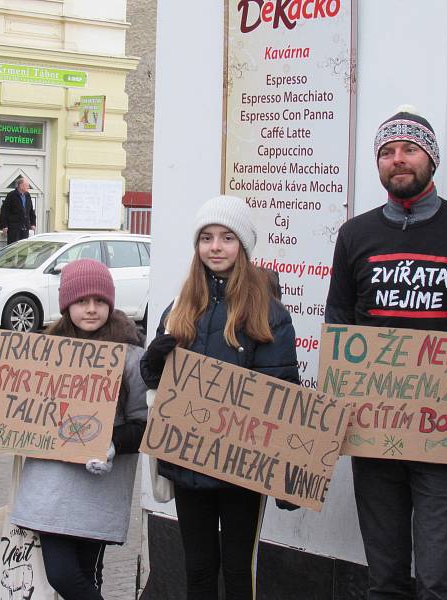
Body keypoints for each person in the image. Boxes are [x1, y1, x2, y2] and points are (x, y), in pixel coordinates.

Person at [325, 105, 447, 600]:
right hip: (373, 436)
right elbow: (339, 328)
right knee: (384, 580)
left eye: (409, 149)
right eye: (387, 152)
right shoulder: (354, 235)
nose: (398, 160)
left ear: (430, 158)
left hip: (446, 436)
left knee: (437, 582)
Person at [139, 195, 300, 600]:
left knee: (238, 571)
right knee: (198, 570)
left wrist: (289, 476)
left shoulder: (270, 314)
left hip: (242, 470)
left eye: (227, 238)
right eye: (206, 238)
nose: (215, 247)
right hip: (187, 462)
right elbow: (158, 385)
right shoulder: (179, 308)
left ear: (242, 246)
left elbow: (281, 393)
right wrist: (153, 360)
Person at [10, 258, 148, 600]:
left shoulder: (130, 356)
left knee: (87, 576)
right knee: (62, 575)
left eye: (100, 301)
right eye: (81, 301)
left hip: (97, 489)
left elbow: (143, 426)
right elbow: (17, 411)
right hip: (51, 488)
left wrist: (111, 442)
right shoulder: (43, 350)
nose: (91, 309)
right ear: (66, 304)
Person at [0, 175, 36, 243]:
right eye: (27, 185)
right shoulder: (11, 195)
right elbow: (4, 211)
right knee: (13, 248)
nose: (28, 187)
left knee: (23, 248)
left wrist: (33, 223)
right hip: (14, 228)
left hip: (25, 227)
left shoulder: (27, 195)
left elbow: (31, 211)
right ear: (21, 186)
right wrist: (4, 226)